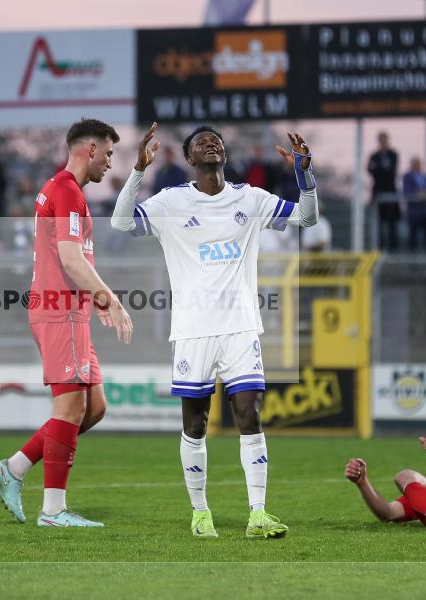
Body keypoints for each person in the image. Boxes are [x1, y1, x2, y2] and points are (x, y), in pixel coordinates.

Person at [112, 123, 319, 539]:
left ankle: (258, 514)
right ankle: (200, 512)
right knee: (196, 423)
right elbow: (120, 223)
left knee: (250, 415)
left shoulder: (250, 198)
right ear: (190, 159)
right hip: (192, 331)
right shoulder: (171, 201)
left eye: (217, 141)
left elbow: (308, 218)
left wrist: (304, 174)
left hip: (241, 327)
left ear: (224, 153)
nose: (211, 144)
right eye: (201, 143)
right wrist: (137, 172)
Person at [0, 118, 133, 528]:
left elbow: (72, 259)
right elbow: (70, 259)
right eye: (107, 154)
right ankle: (53, 510)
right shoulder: (67, 191)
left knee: (94, 407)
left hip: (70, 311)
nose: (108, 164)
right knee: (71, 407)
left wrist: (95, 298)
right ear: (89, 150)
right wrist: (110, 299)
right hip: (60, 312)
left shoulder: (60, 189)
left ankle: (14, 468)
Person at [368, 132, 400, 252]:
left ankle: (394, 251)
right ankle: (378, 250)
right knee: (378, 224)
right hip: (377, 193)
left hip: (390, 193)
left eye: (384, 139)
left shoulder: (393, 154)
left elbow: (391, 171)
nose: (382, 142)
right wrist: (382, 169)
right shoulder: (374, 155)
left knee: (392, 223)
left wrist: (378, 169)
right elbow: (370, 170)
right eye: (380, 140)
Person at [402, 157, 426, 252]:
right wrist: (418, 194)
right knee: (413, 236)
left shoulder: (425, 177)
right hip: (414, 212)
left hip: (425, 211)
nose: (417, 166)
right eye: (415, 164)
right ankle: (413, 259)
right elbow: (408, 192)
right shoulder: (407, 176)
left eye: (418, 164)